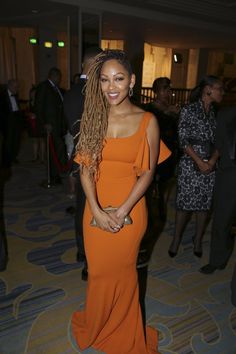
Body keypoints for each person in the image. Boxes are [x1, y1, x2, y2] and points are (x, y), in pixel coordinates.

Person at [71, 49, 163, 353]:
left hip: (131, 209)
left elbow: (147, 174)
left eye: (119, 79)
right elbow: (85, 170)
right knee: (98, 273)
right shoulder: (94, 118)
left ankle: (125, 334)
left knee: (123, 275)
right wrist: (96, 210)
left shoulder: (147, 120)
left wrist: (122, 211)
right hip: (94, 207)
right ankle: (98, 325)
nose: (111, 87)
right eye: (105, 80)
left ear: (132, 81)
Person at [168, 75, 224, 258]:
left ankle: (197, 240)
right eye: (219, 89)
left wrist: (212, 161)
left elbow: (221, 142)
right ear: (208, 89)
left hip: (210, 165)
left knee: (203, 207)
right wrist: (199, 162)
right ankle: (176, 239)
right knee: (184, 205)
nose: (222, 92)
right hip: (190, 164)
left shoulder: (217, 114)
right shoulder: (189, 110)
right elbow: (183, 140)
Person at [63, 47, 103, 281]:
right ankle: (88, 258)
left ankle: (82, 251)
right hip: (91, 158)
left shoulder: (73, 91)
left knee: (83, 207)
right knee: (90, 207)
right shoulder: (90, 91)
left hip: (82, 157)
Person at [199, 106, 236, 275]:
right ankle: (217, 259)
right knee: (222, 220)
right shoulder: (226, 115)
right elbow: (219, 144)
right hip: (229, 175)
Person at [144, 77, 179, 221]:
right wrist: (167, 113)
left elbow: (177, 133)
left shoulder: (175, 110)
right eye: (164, 89)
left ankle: (162, 212)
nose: (167, 93)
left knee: (167, 183)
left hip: (170, 152)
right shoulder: (148, 109)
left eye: (169, 89)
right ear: (156, 92)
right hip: (153, 152)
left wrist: (176, 115)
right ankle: (149, 213)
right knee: (150, 186)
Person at [34, 67, 67, 185]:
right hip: (50, 126)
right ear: (54, 76)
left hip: (57, 125)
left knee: (56, 151)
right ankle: (52, 176)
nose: (60, 79)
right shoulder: (44, 87)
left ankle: (55, 174)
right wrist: (44, 124)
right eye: (59, 77)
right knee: (53, 151)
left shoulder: (56, 89)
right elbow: (38, 107)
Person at [0, 79, 23, 167]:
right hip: (8, 121)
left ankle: (13, 157)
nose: (17, 88)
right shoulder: (2, 95)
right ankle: (6, 160)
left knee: (16, 140)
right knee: (8, 142)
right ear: (9, 86)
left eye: (17, 87)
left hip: (16, 119)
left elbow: (16, 106)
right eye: (15, 87)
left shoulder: (15, 94)